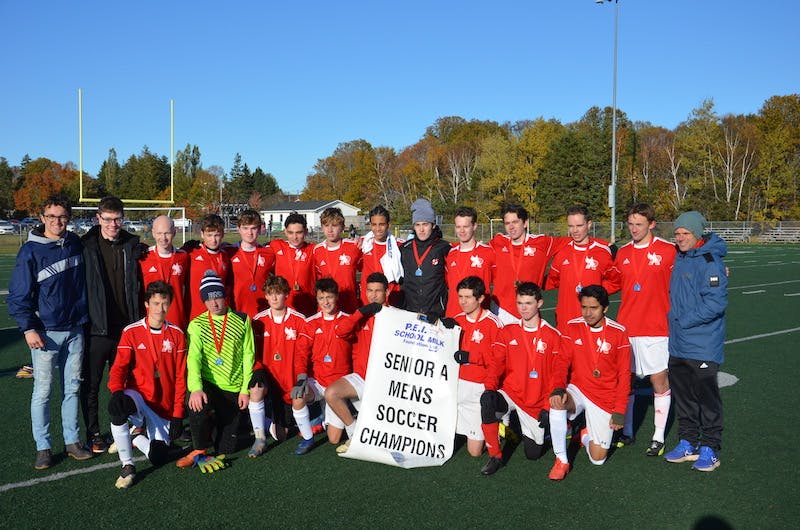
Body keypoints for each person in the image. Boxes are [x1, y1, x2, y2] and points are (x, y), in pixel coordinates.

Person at [8, 193, 93, 469]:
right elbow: (18, 295)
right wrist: (28, 328)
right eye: (52, 216)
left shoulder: (75, 244)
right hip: (45, 332)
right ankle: (43, 446)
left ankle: (72, 441)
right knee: (43, 391)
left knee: (72, 388)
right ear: (42, 218)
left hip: (75, 329)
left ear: (69, 218)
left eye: (63, 216)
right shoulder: (30, 251)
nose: (58, 221)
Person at [604, 203, 676, 455]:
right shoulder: (622, 253)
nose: (634, 229)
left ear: (652, 225)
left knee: (659, 381)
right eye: (631, 224)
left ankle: (658, 437)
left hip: (656, 328)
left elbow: (692, 265)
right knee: (627, 382)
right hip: (627, 328)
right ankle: (627, 431)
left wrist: (719, 270)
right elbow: (611, 283)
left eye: (639, 224)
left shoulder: (668, 251)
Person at [663, 211, 727, 472]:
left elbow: (716, 303)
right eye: (677, 233)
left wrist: (684, 320)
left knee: (706, 398)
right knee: (684, 397)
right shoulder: (681, 256)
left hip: (702, 344)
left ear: (698, 234)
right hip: (679, 343)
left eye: (685, 233)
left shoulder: (710, 262)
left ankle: (710, 448)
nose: (680, 238)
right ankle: (688, 441)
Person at [107, 281, 187, 488]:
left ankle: (135, 437)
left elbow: (180, 378)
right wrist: (116, 391)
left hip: (163, 405)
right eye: (155, 303)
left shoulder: (177, 335)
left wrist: (178, 413)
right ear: (146, 304)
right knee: (117, 408)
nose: (160, 309)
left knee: (159, 457)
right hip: (139, 395)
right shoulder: (131, 332)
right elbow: (118, 368)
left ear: (170, 304)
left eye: (164, 303)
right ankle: (127, 466)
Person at [548, 285, 631, 480]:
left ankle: (584, 434)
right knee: (557, 402)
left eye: (593, 308)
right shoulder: (572, 326)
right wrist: (558, 388)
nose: (587, 313)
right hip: (578, 389)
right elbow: (561, 362)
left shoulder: (619, 333)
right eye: (584, 307)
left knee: (598, 459)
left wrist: (619, 410)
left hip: (604, 396)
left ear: (605, 308)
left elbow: (625, 375)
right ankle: (562, 460)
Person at [81, 196, 144, 453]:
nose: (112, 224)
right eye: (107, 219)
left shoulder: (132, 243)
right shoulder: (85, 245)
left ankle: (128, 425)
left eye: (117, 219)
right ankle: (94, 433)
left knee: (127, 382)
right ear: (98, 218)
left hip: (125, 327)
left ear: (123, 218)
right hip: (97, 328)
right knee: (93, 384)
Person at [479, 281, 561, 475]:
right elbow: (496, 363)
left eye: (528, 303)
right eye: (520, 303)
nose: (523, 308)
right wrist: (490, 388)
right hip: (511, 393)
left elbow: (558, 374)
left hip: (536, 401)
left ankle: (537, 429)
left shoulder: (552, 336)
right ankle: (495, 456)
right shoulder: (508, 331)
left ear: (540, 303)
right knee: (487, 400)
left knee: (533, 454)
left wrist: (548, 406)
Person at [177, 270, 254, 470]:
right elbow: (193, 359)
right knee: (196, 405)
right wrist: (195, 388)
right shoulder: (197, 325)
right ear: (203, 300)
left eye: (218, 296)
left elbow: (249, 355)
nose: (215, 303)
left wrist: (245, 390)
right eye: (209, 299)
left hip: (234, 388)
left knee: (227, 449)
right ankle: (199, 449)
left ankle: (213, 426)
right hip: (209, 386)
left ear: (224, 295)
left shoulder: (242, 319)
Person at [325, 272, 390, 453]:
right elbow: (340, 331)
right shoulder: (361, 315)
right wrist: (361, 312)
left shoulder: (396, 316)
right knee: (331, 394)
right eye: (370, 290)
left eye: (378, 291)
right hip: (361, 377)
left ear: (387, 291)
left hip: (385, 382)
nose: (374, 295)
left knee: (384, 440)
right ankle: (355, 434)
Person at [248, 276, 309, 456]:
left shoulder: (299, 320)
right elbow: (252, 353)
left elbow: (304, 354)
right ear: (266, 296)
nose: (274, 298)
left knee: (282, 435)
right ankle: (259, 438)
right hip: (268, 380)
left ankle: (311, 420)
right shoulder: (258, 321)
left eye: (278, 293)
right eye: (270, 294)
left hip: (289, 381)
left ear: (287, 294)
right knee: (256, 388)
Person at [291, 278, 354, 455]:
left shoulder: (348, 320)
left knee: (334, 439)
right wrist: (301, 377)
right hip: (318, 382)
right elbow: (301, 353)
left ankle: (341, 410)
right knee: (297, 395)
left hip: (339, 386)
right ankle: (307, 438)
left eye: (329, 297)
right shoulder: (310, 323)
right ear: (316, 299)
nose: (325, 302)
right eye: (321, 298)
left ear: (336, 297)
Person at [450, 276, 503, 458]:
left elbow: (500, 359)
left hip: (478, 390)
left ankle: (499, 420)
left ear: (480, 299)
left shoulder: (494, 323)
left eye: (468, 297)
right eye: (460, 297)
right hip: (456, 387)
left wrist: (471, 357)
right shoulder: (456, 320)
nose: (463, 302)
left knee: (474, 452)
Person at [490, 203, 567, 324]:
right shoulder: (498, 242)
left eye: (515, 222)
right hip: (502, 310)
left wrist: (607, 246)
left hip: (530, 309)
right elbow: (475, 249)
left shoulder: (541, 243)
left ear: (525, 223)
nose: (511, 227)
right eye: (507, 223)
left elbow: (574, 241)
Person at [546, 205, 618, 333]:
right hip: (565, 321)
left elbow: (615, 281)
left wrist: (597, 292)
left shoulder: (602, 252)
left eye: (579, 226)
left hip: (592, 321)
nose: (575, 230)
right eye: (571, 226)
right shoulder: (561, 252)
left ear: (589, 224)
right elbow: (553, 280)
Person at [400, 198, 451, 320]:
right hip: (410, 312)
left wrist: (440, 309)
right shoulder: (405, 249)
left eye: (425, 224)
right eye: (417, 225)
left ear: (433, 225)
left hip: (436, 313)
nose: (421, 229)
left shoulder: (443, 248)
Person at [140, 215, 190, 329]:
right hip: (151, 320)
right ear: (153, 233)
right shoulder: (143, 257)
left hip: (176, 319)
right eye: (159, 233)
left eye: (167, 233)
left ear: (174, 232)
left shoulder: (183, 257)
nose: (163, 237)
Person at [445, 207, 496, 317]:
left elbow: (498, 283)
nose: (462, 231)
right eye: (458, 227)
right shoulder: (450, 254)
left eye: (466, 226)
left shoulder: (488, 252)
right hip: (453, 316)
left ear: (474, 226)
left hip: (478, 317)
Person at [313, 207, 362, 314]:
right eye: (326, 226)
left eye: (334, 226)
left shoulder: (354, 246)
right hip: (326, 308)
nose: (330, 230)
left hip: (348, 305)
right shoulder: (317, 250)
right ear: (322, 227)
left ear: (342, 227)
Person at [185, 214, 231, 321]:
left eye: (217, 235)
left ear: (223, 234)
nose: (213, 240)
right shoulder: (191, 253)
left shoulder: (226, 256)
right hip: (196, 316)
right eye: (209, 235)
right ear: (202, 234)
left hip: (218, 316)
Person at [269, 212, 317, 316]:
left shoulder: (314, 249)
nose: (295, 237)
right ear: (285, 232)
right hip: (283, 308)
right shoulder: (276, 246)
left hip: (308, 308)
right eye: (291, 232)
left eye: (299, 232)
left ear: (306, 231)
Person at [230, 209, 275, 317]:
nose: (249, 233)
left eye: (253, 228)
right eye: (245, 228)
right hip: (236, 313)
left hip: (263, 312)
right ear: (238, 229)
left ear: (259, 229)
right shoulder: (229, 253)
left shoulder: (269, 253)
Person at [358, 205, 403, 306]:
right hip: (368, 301)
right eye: (374, 224)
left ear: (388, 225)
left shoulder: (399, 246)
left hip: (392, 300)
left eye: (381, 224)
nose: (378, 228)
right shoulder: (363, 245)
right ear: (370, 225)